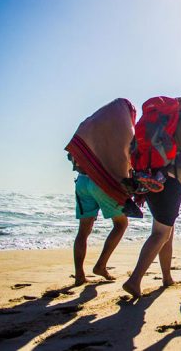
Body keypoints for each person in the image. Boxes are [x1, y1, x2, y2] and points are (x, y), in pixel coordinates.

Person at [123, 94, 181, 298]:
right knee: (161, 234)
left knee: (166, 230)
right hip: (168, 183)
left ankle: (167, 277)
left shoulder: (160, 122)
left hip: (146, 180)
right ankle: (134, 280)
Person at [65, 99, 138, 286]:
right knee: (121, 224)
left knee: (83, 230)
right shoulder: (122, 129)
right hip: (102, 183)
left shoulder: (90, 123)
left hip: (82, 180)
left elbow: (74, 151)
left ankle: (79, 275)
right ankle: (101, 265)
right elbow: (125, 156)